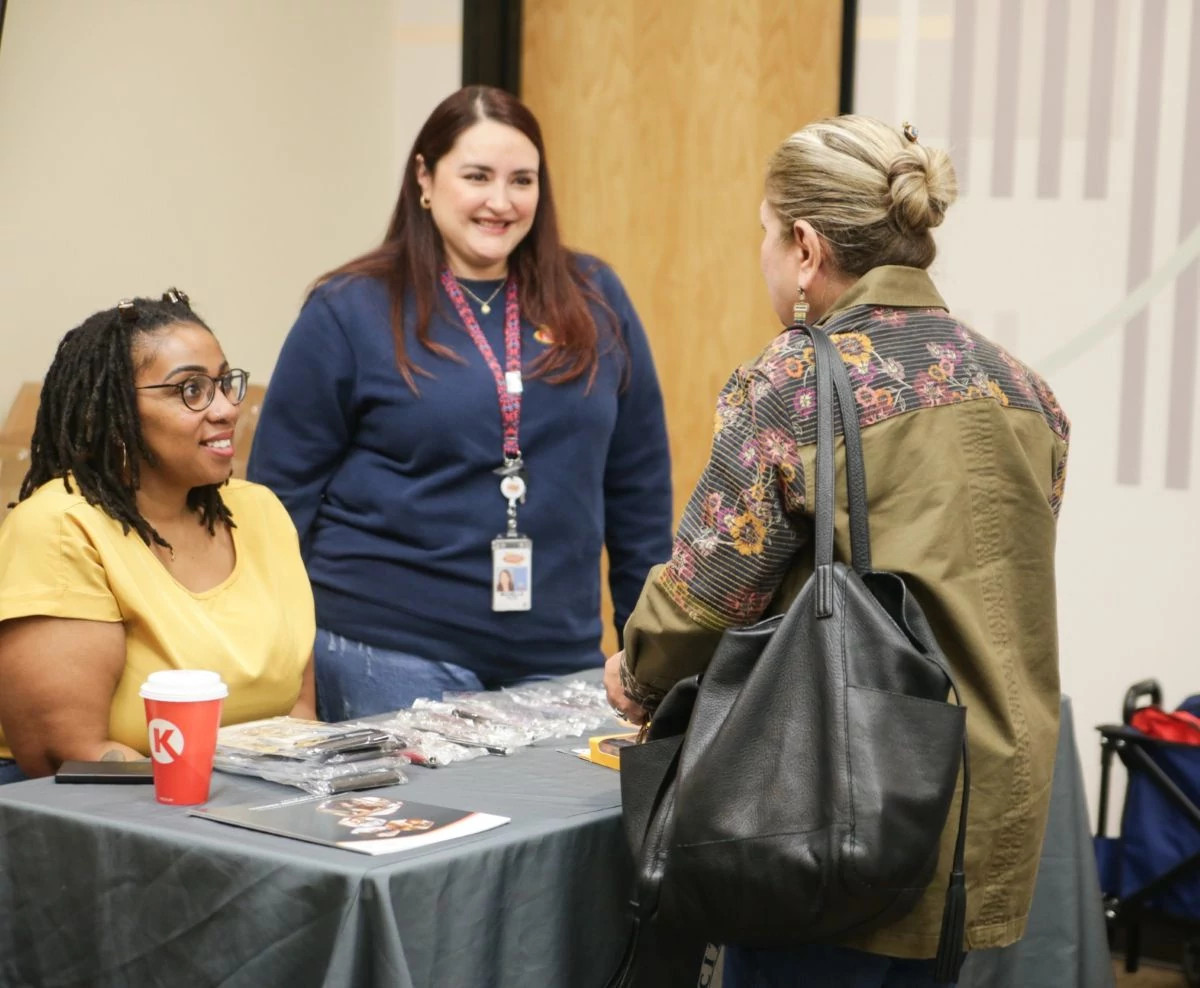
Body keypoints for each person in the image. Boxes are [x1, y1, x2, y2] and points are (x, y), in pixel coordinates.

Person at [605, 116, 1070, 987]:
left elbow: (710, 595)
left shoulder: (794, 378)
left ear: (807, 248)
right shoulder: (1023, 388)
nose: (765, 257)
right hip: (983, 803)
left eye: (764, 233)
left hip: (835, 799)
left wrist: (636, 674)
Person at [248, 85, 673, 721]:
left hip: (560, 652)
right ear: (425, 176)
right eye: (476, 176)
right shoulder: (350, 308)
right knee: (433, 824)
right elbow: (279, 503)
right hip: (389, 648)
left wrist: (650, 656)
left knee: (550, 823)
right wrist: (287, 672)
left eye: (521, 180)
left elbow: (639, 486)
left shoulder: (594, 296)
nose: (500, 202)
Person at [0, 291, 317, 785]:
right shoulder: (62, 526)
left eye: (224, 383)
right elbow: (64, 756)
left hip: (259, 807)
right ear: (113, 409)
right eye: (190, 390)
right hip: (113, 824)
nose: (227, 409)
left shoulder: (260, 511)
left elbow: (298, 713)